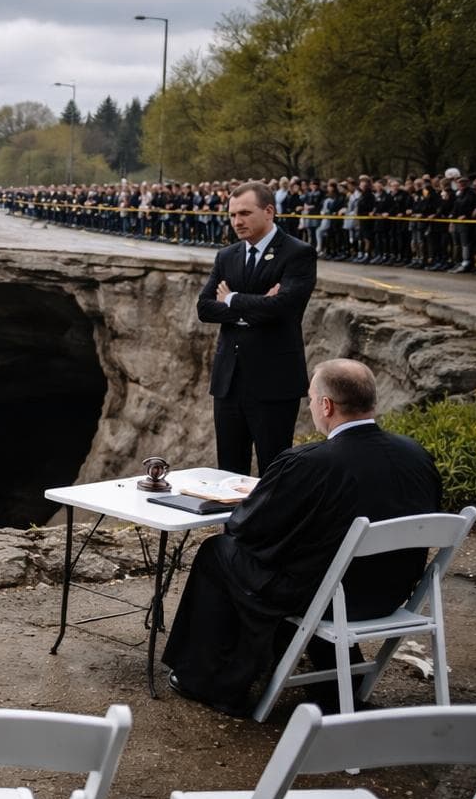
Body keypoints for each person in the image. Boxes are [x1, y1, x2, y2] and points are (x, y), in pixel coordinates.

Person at [162, 359, 441, 715]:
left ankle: (209, 679)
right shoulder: (416, 456)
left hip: (327, 598)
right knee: (311, 562)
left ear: (326, 406)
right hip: (391, 593)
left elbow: (247, 528)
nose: (309, 405)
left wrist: (257, 499)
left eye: (310, 398)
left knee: (219, 552)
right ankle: (327, 677)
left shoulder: (309, 463)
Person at [196, 180, 317, 476]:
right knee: (228, 470)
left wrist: (232, 300)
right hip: (229, 381)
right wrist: (257, 306)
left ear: (269, 212)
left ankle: (272, 525)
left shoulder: (297, 253)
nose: (237, 221)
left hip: (273, 382)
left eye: (245, 213)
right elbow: (204, 308)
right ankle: (233, 525)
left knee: (273, 470)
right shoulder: (227, 256)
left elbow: (284, 308)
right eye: (233, 215)